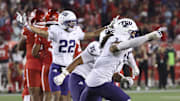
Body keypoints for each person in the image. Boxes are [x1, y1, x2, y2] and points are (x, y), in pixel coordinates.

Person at [22, 10, 108, 101]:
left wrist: (107, 28)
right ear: (62, 22)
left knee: (65, 98)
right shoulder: (56, 31)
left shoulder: (76, 31)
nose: (72, 25)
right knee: (55, 96)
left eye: (73, 22)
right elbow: (41, 32)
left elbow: (93, 34)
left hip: (68, 69)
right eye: (69, 23)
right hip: (56, 67)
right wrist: (27, 26)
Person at [78, 18, 164, 101]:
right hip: (99, 82)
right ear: (125, 32)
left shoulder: (115, 43)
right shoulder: (115, 41)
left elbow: (111, 73)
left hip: (94, 82)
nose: (134, 36)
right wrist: (148, 37)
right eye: (132, 33)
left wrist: (123, 79)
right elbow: (122, 46)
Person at [16, 9, 45, 101]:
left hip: (32, 63)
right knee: (46, 93)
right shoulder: (50, 29)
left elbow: (20, 47)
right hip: (46, 63)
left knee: (31, 93)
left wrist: (24, 34)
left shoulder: (28, 29)